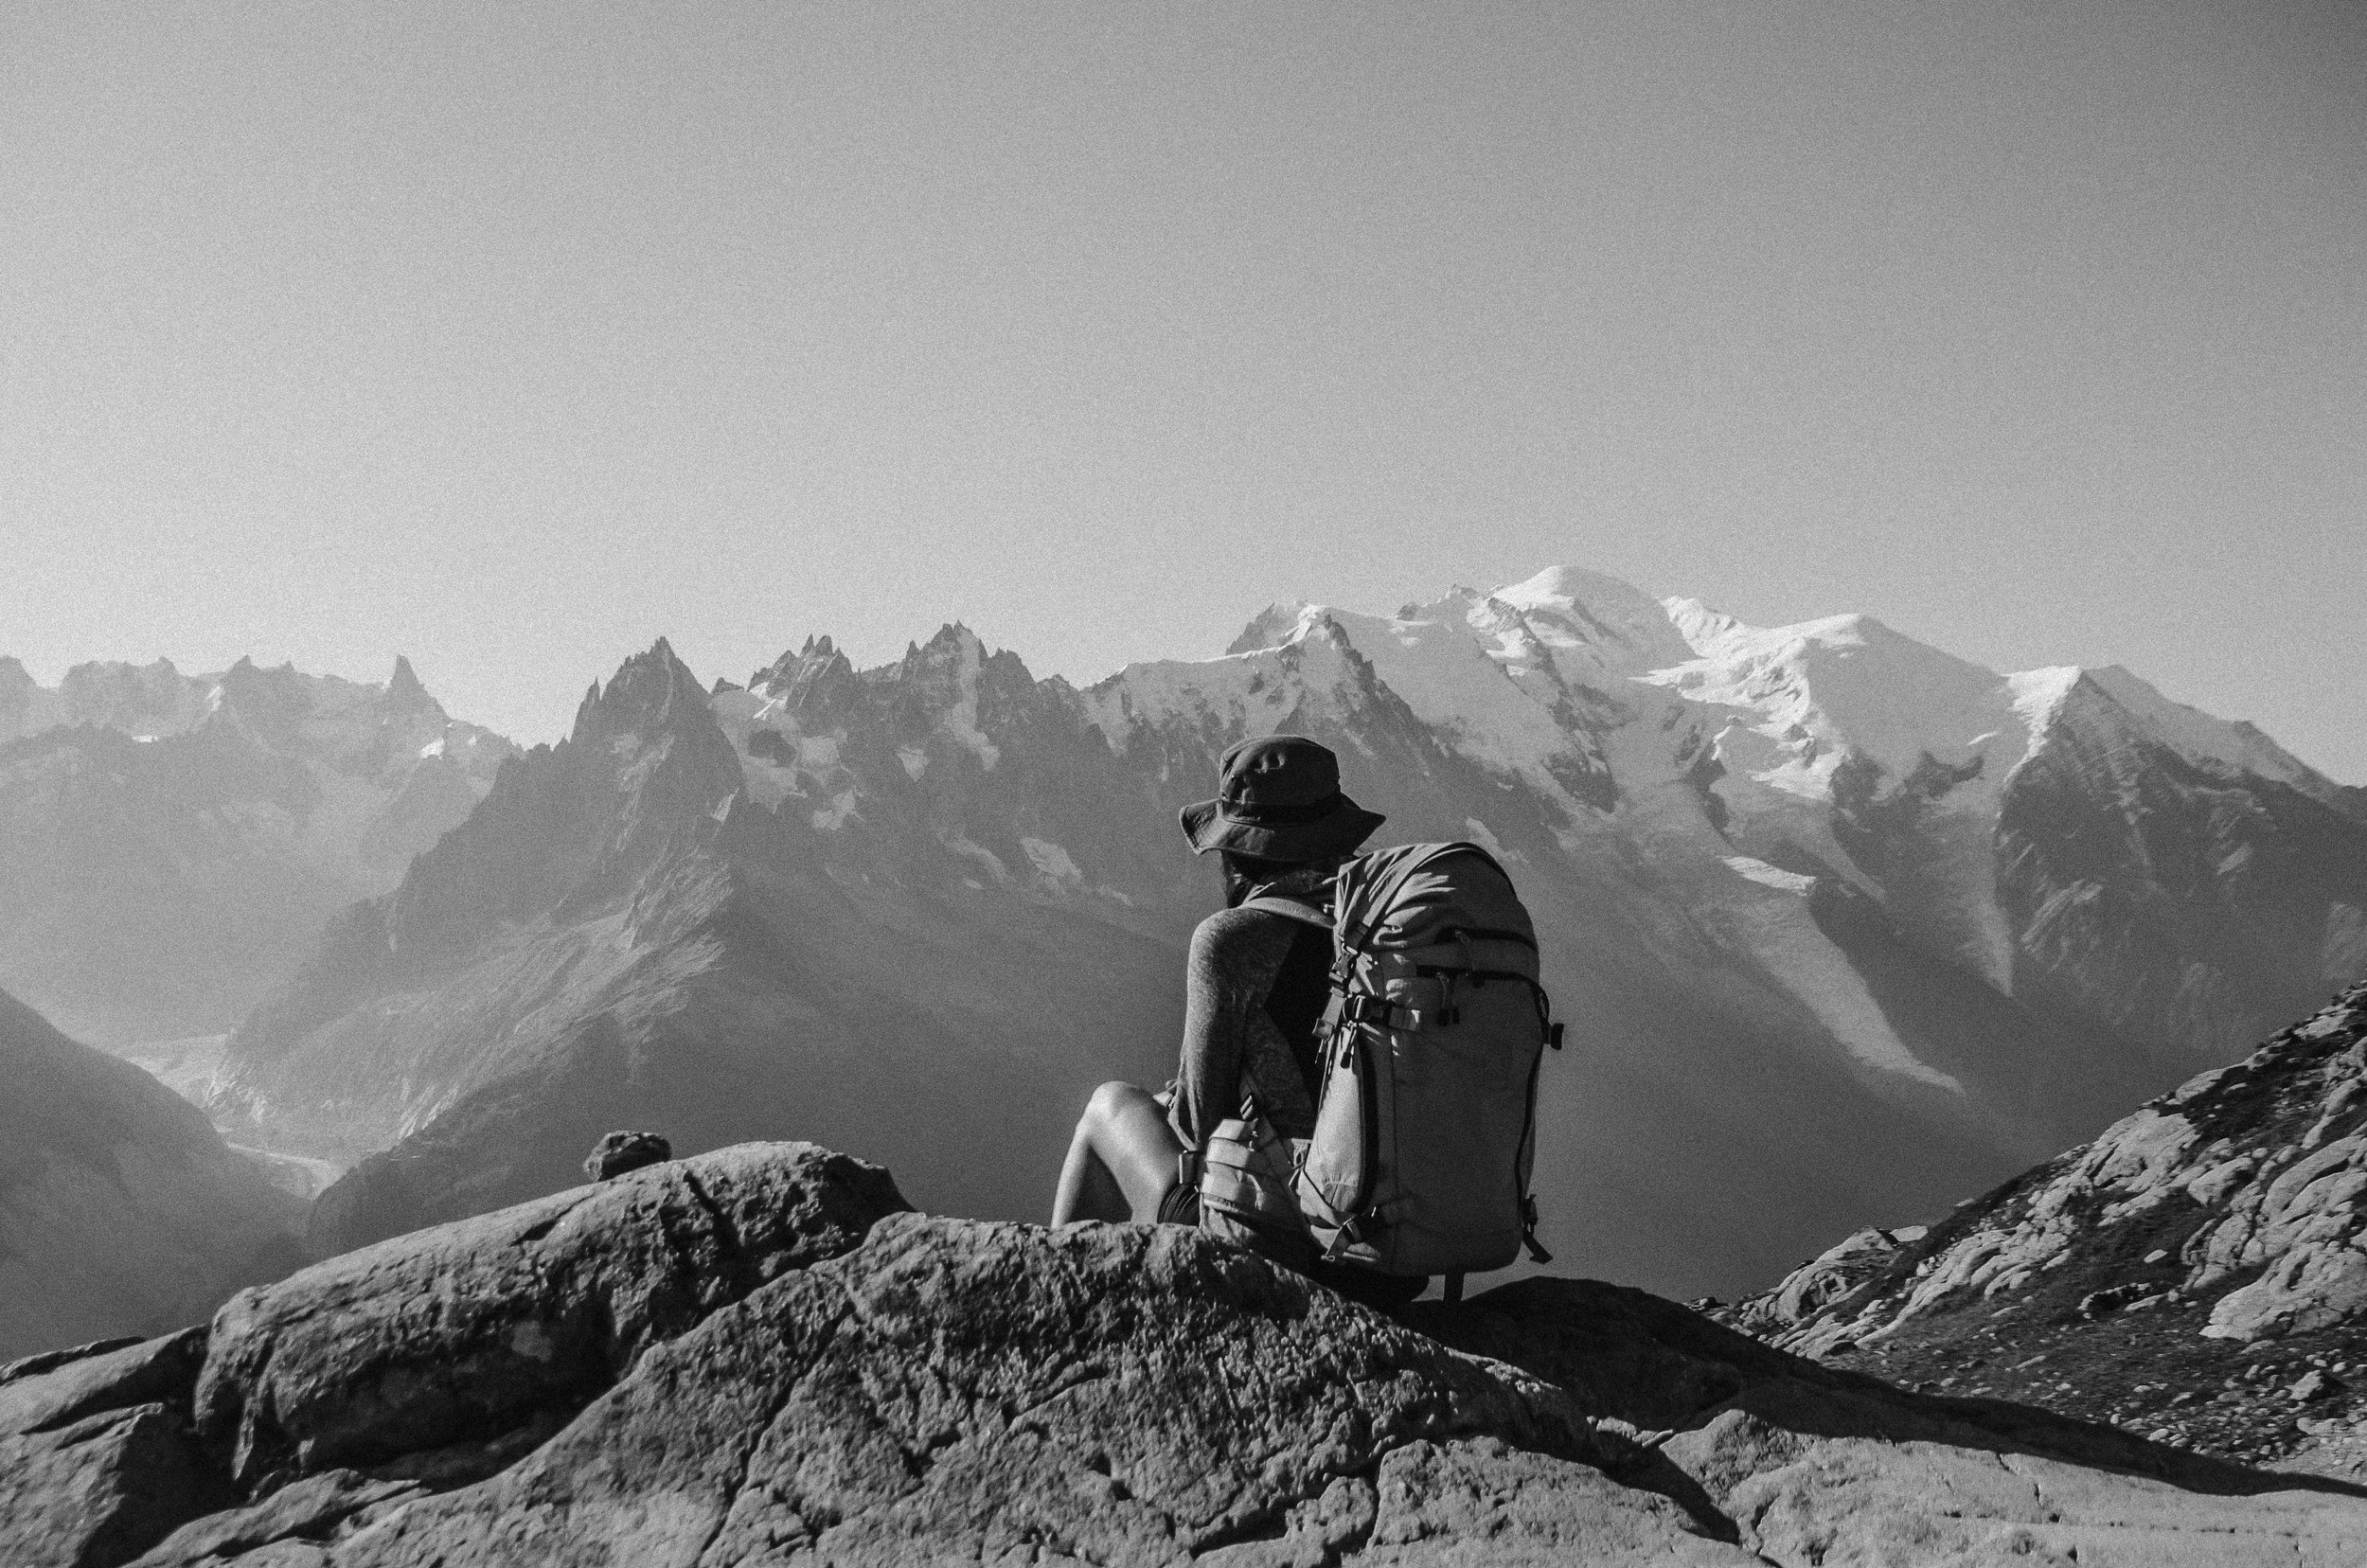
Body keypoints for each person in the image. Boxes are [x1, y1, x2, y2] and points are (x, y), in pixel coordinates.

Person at [1051, 734, 1384, 1228]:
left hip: (1288, 1223)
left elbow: (1198, 1128)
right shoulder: (1380, 926)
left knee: (1109, 1104)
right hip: (1389, 1224)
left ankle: (1057, 1265)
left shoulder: (1231, 940)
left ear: (1237, 851)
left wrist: (1170, 1102)